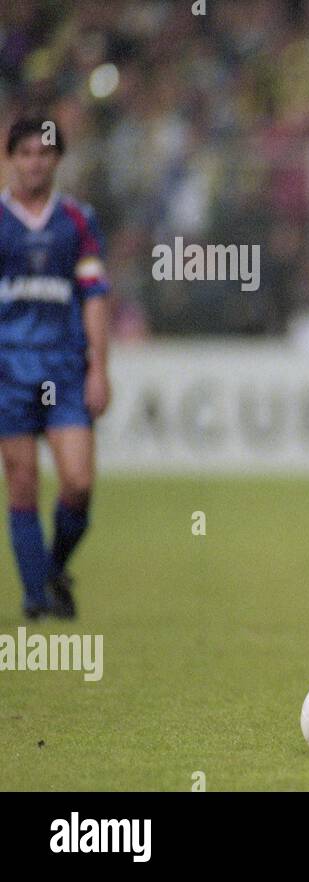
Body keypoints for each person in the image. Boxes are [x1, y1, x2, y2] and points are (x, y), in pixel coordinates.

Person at [1, 116, 111, 619]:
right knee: (22, 480)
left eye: (43, 153)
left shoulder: (77, 219)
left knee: (78, 484)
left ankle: (51, 569)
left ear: (56, 160)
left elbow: (93, 296)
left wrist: (99, 367)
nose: (34, 162)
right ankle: (35, 597)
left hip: (64, 369)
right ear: (11, 159)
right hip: (8, 369)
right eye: (24, 153)